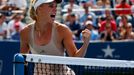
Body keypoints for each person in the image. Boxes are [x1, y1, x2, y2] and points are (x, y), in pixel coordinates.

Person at [20, 0, 91, 75]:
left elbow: (75, 58)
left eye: (56, 6)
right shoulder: (25, 32)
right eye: (51, 6)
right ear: (39, 8)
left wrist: (85, 44)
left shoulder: (62, 30)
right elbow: (22, 61)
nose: (55, 9)